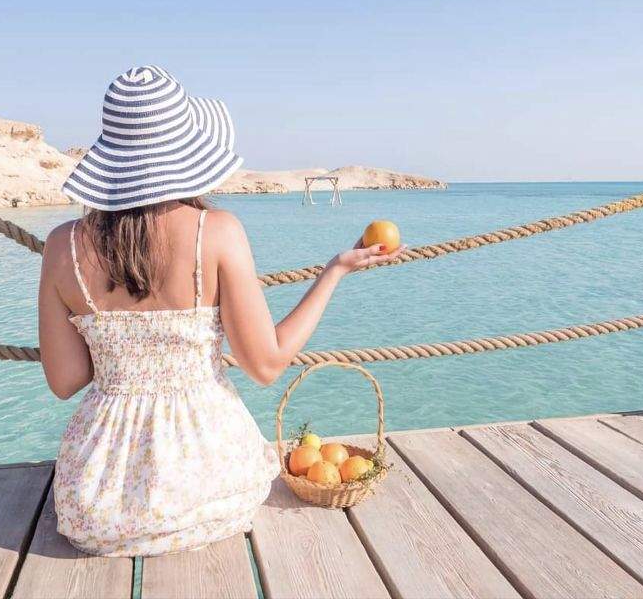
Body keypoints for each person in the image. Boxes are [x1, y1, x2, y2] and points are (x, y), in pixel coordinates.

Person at [37, 65, 405, 557]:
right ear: (187, 153)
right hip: (208, 490)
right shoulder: (217, 232)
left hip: (99, 505)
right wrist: (333, 272)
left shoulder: (62, 247)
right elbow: (266, 365)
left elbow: (65, 380)